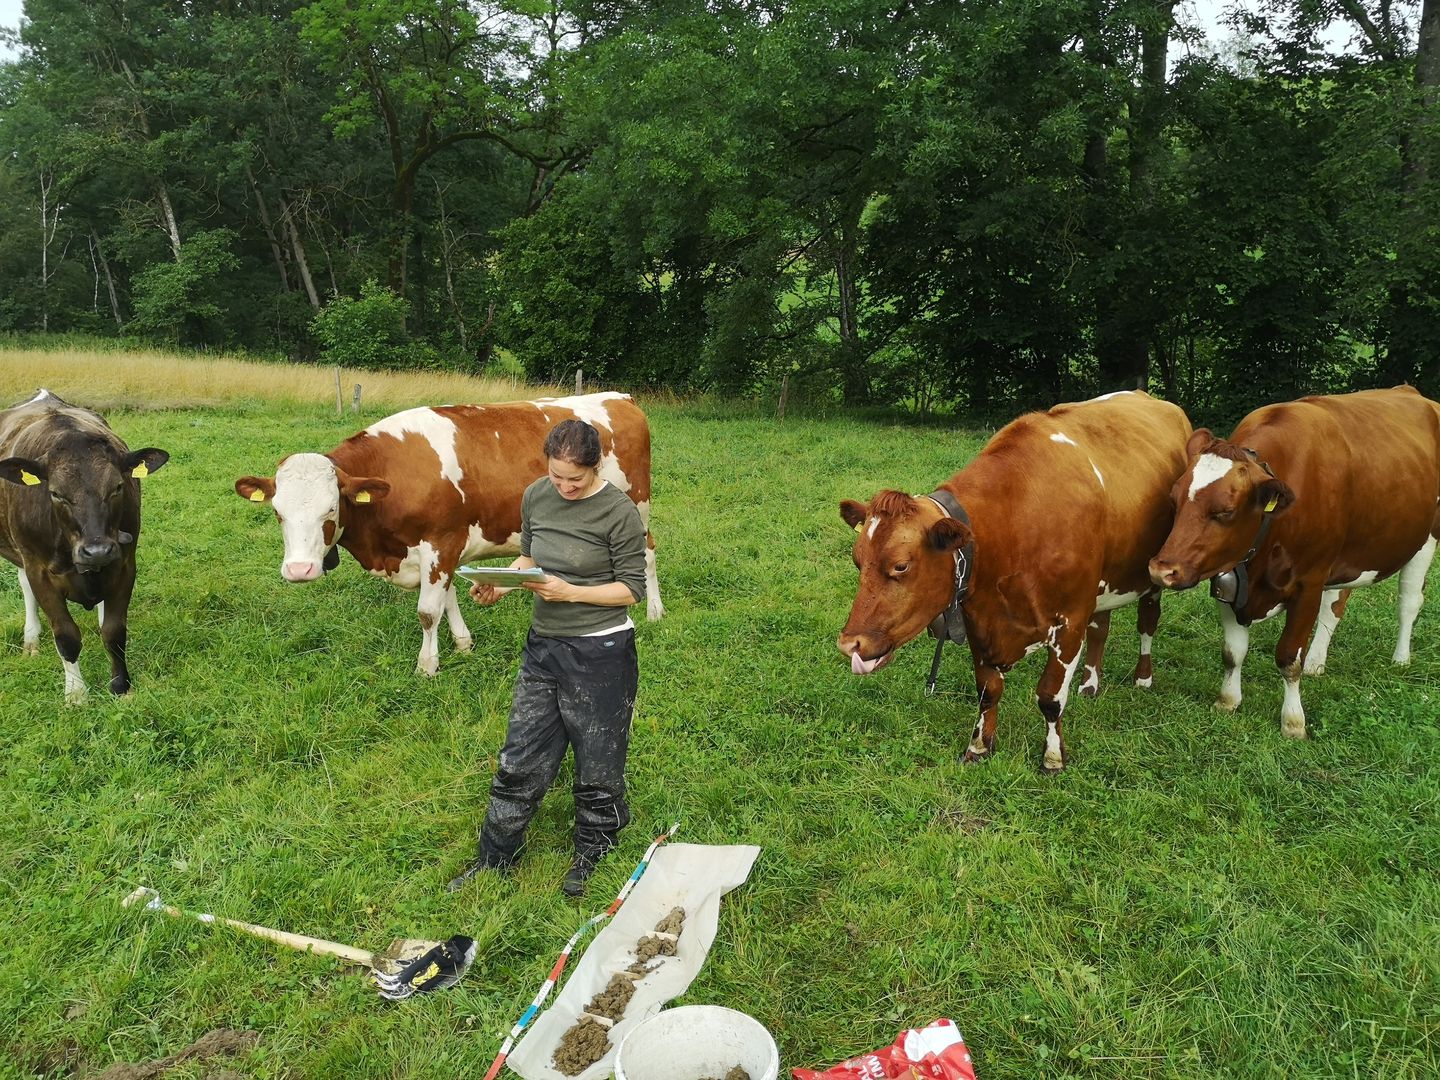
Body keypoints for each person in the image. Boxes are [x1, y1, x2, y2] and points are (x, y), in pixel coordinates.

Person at [447, 418, 647, 897]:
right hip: (544, 646)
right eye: (556, 476)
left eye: (573, 480)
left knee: (598, 762)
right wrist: (503, 580)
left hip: (602, 651)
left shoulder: (618, 513)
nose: (563, 487)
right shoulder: (537, 495)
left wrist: (571, 591)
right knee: (520, 754)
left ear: (596, 466)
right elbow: (530, 557)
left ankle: (594, 850)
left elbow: (631, 591)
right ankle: (495, 858)